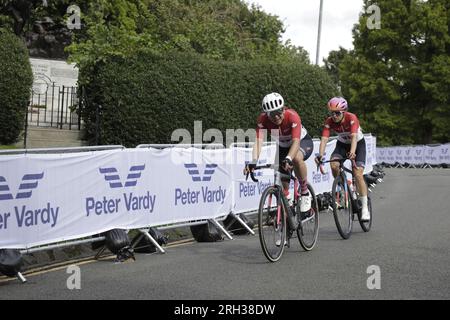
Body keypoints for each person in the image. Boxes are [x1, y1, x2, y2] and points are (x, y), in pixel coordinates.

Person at [244, 92, 313, 213]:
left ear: (283, 109)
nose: (276, 117)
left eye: (278, 112)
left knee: (296, 158)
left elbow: (296, 142)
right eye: (272, 115)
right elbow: (258, 141)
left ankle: (305, 192)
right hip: (282, 146)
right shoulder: (263, 120)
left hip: (302, 142)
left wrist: (289, 158)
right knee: (281, 180)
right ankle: (288, 207)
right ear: (267, 114)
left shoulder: (292, 116)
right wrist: (253, 161)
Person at [314, 97, 370, 221]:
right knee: (334, 165)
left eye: (337, 113)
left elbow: (354, 137)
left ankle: (365, 208)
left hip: (358, 144)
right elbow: (324, 139)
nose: (334, 116)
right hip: (342, 145)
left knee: (358, 173)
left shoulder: (351, 118)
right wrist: (320, 155)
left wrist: (353, 152)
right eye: (332, 113)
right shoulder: (329, 121)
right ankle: (346, 187)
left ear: (344, 112)